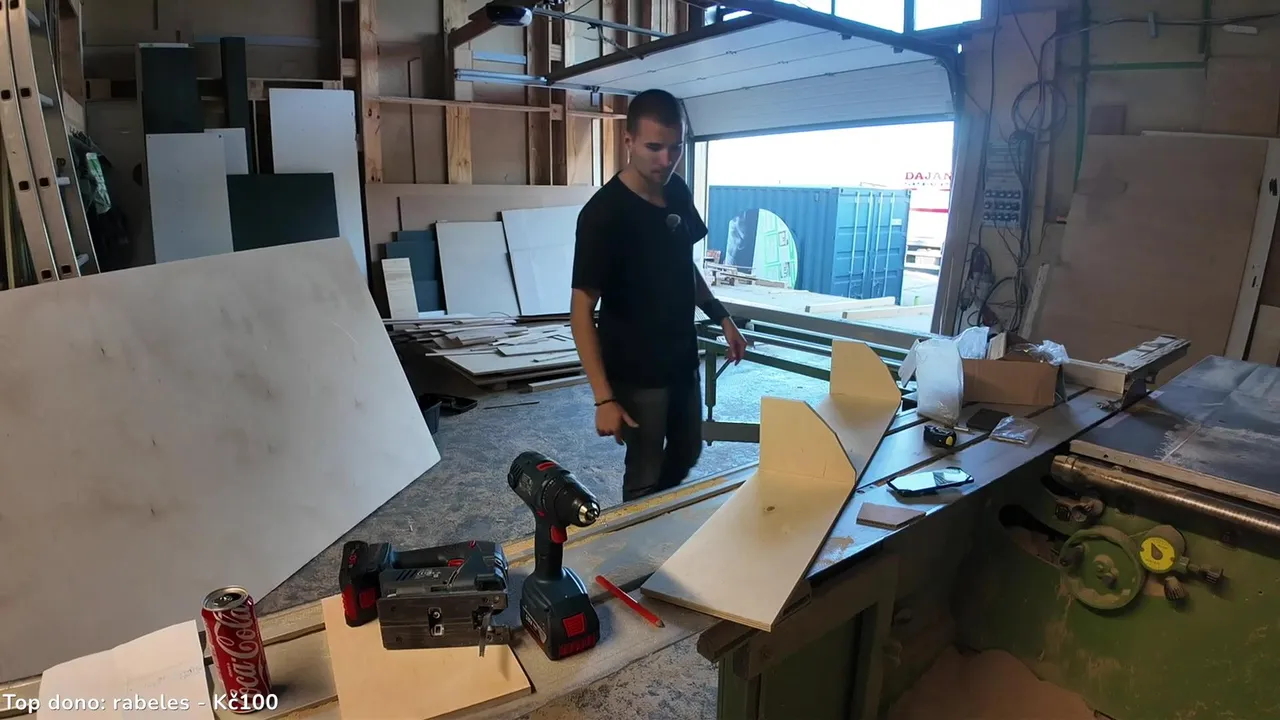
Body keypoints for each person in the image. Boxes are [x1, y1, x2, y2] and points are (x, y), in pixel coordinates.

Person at [569, 88, 748, 502]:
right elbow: (580, 312)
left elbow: (683, 264)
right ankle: (641, 531)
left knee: (688, 449)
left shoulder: (678, 192)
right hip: (635, 372)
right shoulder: (603, 215)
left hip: (680, 358)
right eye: (654, 147)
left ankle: (658, 517)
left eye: (675, 148)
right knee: (645, 466)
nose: (666, 160)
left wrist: (722, 317)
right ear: (628, 141)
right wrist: (603, 398)